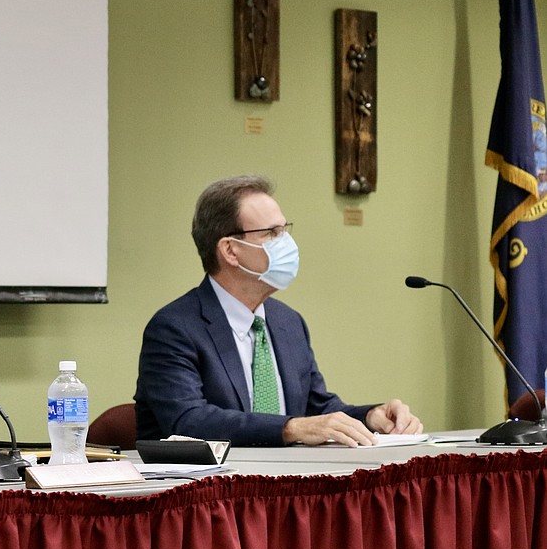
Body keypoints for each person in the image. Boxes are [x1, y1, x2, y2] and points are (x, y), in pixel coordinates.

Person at [134, 175, 423, 447]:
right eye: (271, 233)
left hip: (285, 487)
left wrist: (371, 416)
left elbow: (317, 408)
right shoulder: (174, 327)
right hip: (208, 494)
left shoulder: (288, 322)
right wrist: (290, 428)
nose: (286, 243)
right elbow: (187, 421)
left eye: (284, 230)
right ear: (230, 250)